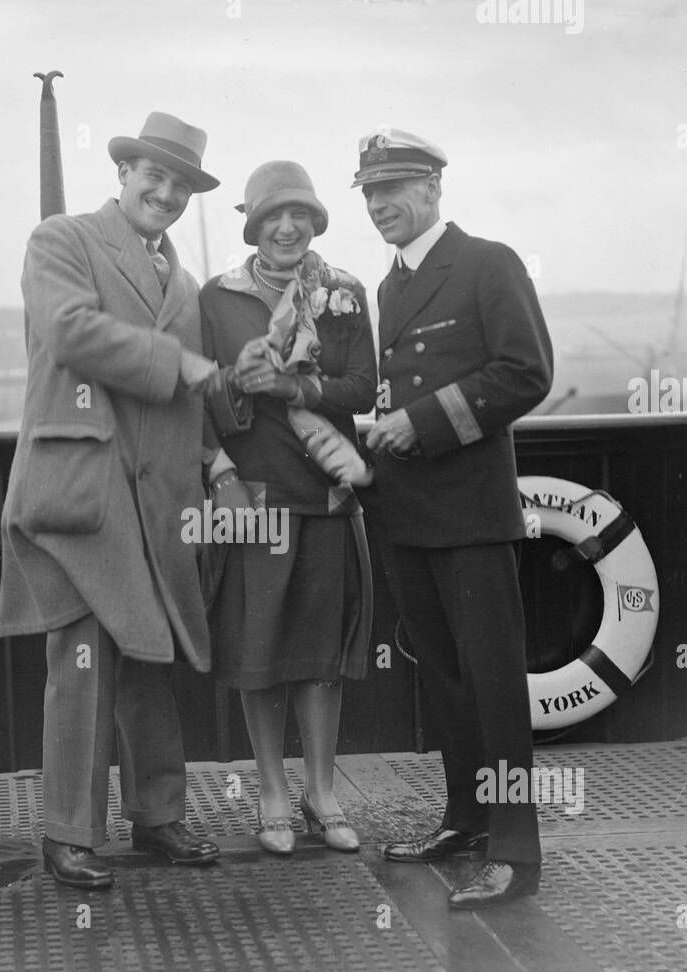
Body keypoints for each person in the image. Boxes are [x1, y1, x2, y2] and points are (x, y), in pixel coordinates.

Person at [0, 112, 224, 889]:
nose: (164, 192)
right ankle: (70, 835)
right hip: (80, 492)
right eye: (152, 176)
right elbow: (69, 332)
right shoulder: (60, 240)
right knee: (86, 660)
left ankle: (159, 818)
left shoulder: (185, 284)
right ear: (123, 174)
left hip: (158, 503)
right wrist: (179, 362)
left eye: (181, 184)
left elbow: (194, 396)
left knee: (149, 658)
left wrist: (217, 453)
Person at [352, 129, 554, 908]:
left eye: (394, 189)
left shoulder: (487, 263)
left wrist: (423, 423)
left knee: (496, 686)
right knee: (443, 680)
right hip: (407, 514)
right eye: (369, 193)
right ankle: (465, 819)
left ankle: (515, 851)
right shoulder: (390, 287)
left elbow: (526, 372)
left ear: (434, 188)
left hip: (471, 515)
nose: (379, 206)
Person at [199, 161, 377, 856]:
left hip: (327, 497)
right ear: (254, 225)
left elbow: (362, 388)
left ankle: (321, 792)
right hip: (255, 499)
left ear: (315, 221)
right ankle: (272, 792)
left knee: (321, 658)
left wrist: (296, 387)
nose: (287, 226)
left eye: (300, 214)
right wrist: (239, 393)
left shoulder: (344, 293)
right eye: (274, 215)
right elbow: (200, 395)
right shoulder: (216, 300)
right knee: (259, 653)